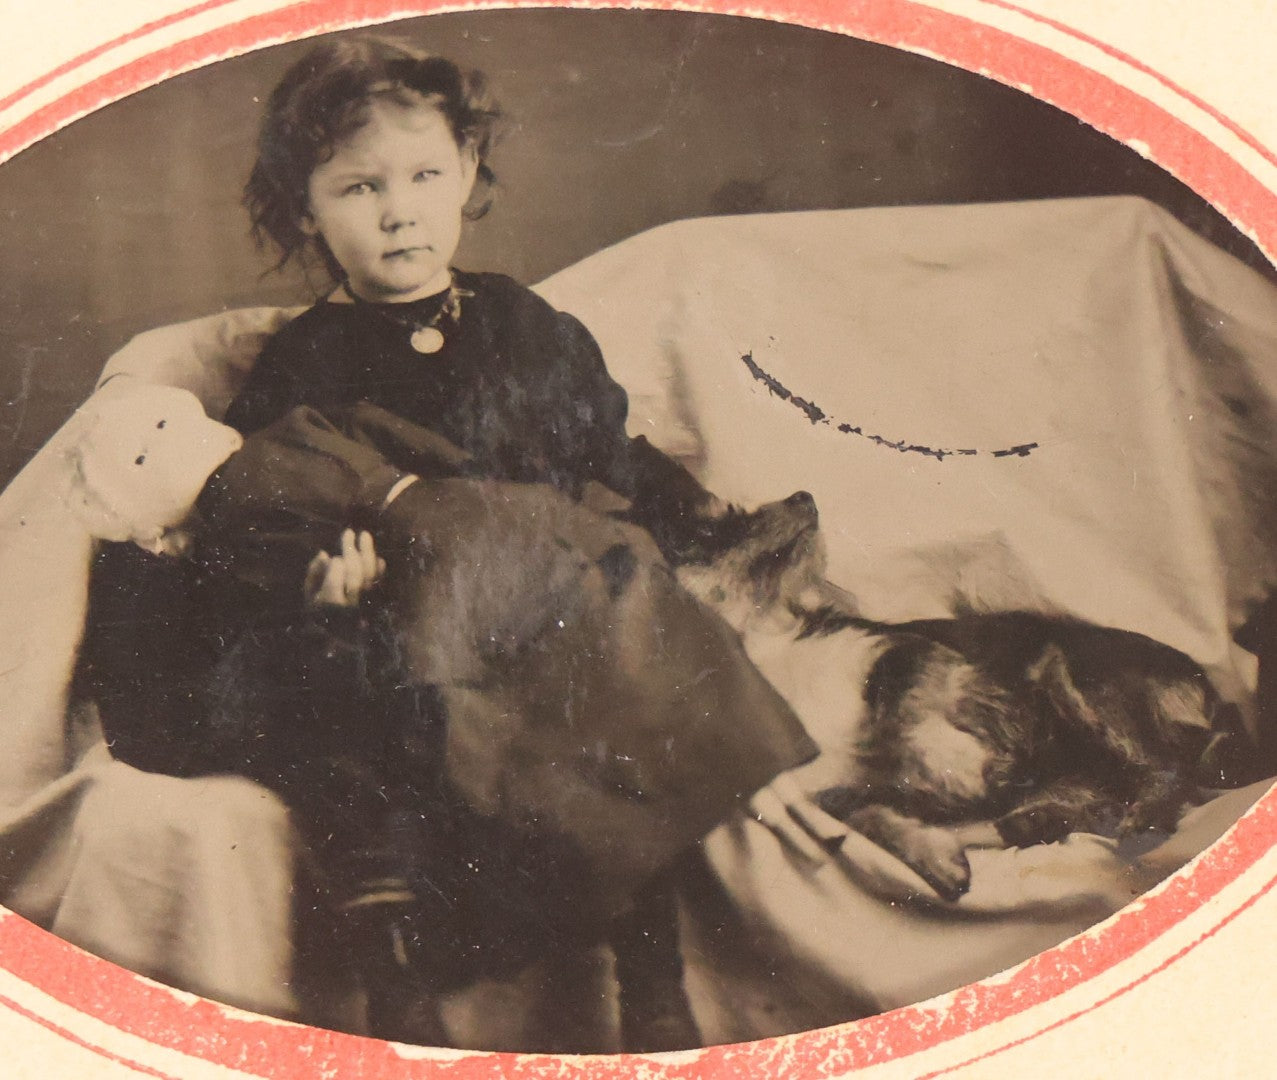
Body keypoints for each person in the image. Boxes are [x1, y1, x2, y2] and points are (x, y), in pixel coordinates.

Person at [81, 33, 818, 1052]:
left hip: (545, 591)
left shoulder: (522, 324)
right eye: (358, 187)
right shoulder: (306, 363)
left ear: (467, 173)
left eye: (426, 173)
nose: (399, 209)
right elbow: (268, 497)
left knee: (623, 656)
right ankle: (401, 993)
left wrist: (661, 534)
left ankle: (650, 985)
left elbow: (596, 454)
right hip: (411, 610)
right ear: (304, 210)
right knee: (352, 679)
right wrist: (320, 582)